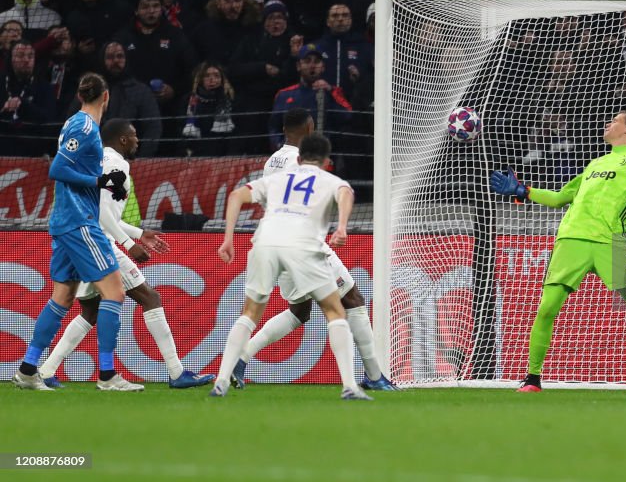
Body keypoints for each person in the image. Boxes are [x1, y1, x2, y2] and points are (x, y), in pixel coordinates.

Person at [491, 111, 626, 393]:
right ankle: (532, 378)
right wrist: (523, 190)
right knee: (546, 309)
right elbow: (561, 198)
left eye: (615, 121)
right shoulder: (594, 164)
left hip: (613, 243)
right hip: (573, 240)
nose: (608, 124)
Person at [37, 119, 215, 389]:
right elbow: (103, 214)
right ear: (122, 140)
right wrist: (128, 243)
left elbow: (102, 212)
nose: (137, 140)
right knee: (150, 297)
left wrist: (139, 233)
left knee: (90, 311)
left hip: (83, 240)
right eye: (133, 136)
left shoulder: (97, 160)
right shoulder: (118, 164)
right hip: (101, 243)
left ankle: (46, 370)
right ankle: (176, 373)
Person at [230, 108, 398, 391]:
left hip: (275, 242)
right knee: (353, 299)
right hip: (304, 244)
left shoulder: (273, 160)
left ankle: (241, 357)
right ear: (309, 127)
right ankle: (373, 375)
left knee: (300, 310)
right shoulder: (298, 163)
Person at [212, 133, 372, 400]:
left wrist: (228, 239)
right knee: (342, 307)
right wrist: (341, 227)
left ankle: (226, 374)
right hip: (303, 244)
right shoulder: (319, 176)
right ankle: (357, 383)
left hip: (265, 241)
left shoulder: (275, 170)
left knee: (265, 311)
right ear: (325, 160)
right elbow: (343, 193)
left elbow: (236, 196)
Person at [12, 73, 133, 391]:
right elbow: (58, 169)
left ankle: (26, 370)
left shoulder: (76, 124)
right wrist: (98, 182)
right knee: (115, 293)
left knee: (63, 297)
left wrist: (108, 180)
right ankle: (107, 376)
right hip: (79, 222)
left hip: (68, 219)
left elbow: (79, 168)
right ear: (105, 97)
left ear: (82, 96)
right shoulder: (84, 127)